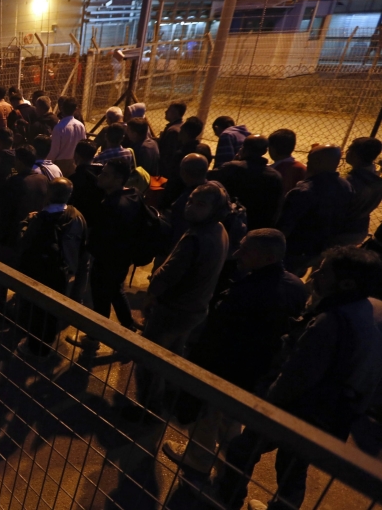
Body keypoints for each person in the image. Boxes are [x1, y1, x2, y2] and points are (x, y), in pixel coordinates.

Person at [217, 246, 382, 510]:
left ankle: (226, 501)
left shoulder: (329, 323)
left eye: (324, 272)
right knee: (293, 470)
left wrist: (263, 407)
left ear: (346, 283)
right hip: (330, 417)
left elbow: (295, 378)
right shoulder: (369, 311)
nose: (315, 273)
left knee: (242, 449)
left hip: (297, 413)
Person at [164, 229, 308, 476]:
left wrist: (196, 367)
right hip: (258, 374)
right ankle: (228, 466)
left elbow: (219, 336)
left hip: (228, 370)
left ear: (268, 258)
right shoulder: (295, 286)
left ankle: (198, 459)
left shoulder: (248, 292)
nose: (238, 254)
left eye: (246, 250)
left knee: (207, 417)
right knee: (232, 420)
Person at [128, 183, 229, 419]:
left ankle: (147, 411)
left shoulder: (195, 237)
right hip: (195, 309)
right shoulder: (218, 229)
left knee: (149, 361)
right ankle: (168, 397)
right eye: (191, 200)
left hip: (173, 310)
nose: (191, 206)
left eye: (200, 204)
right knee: (173, 356)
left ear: (214, 209)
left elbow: (167, 275)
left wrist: (151, 297)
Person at [70, 159, 141, 352]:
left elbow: (103, 237)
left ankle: (93, 338)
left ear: (118, 180)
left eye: (106, 174)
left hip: (107, 261)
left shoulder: (112, 205)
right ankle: (128, 329)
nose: (100, 177)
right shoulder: (132, 196)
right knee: (116, 292)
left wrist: (90, 248)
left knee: (101, 300)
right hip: (121, 260)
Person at [15, 178, 88, 357]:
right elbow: (83, 248)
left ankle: (35, 347)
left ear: (48, 194)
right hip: (63, 273)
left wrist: (24, 224)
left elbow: (25, 243)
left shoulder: (38, 220)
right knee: (52, 311)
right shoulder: (77, 216)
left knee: (35, 311)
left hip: (38, 274)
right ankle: (46, 343)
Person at [277, 145, 356, 275]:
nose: (307, 164)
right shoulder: (347, 187)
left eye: (309, 160)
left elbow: (285, 225)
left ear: (318, 162)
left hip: (295, 248)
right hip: (320, 247)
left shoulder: (304, 191)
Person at [0, 146, 50, 313]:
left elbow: (5, 213)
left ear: (20, 161)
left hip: (12, 236)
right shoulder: (43, 179)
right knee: (24, 273)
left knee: (2, 274)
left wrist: (0, 237)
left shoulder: (14, 182)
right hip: (32, 234)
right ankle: (21, 304)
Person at [209, 135, 284, 229]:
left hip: (229, 225)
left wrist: (233, 162)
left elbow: (209, 180)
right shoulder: (275, 176)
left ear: (243, 149)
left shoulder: (232, 168)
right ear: (265, 151)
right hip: (258, 226)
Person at [342, 137, 382, 243]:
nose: (347, 152)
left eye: (349, 149)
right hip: (361, 228)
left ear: (355, 154)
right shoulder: (377, 180)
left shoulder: (350, 182)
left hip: (342, 231)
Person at [48, 96, 87, 176]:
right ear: (75, 109)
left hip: (60, 162)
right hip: (75, 161)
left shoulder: (59, 127)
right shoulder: (80, 126)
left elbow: (54, 150)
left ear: (62, 108)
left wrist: (49, 162)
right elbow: (83, 144)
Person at [156, 102, 186, 177]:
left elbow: (167, 155)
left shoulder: (173, 131)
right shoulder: (180, 126)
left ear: (176, 113)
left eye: (169, 110)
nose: (165, 112)